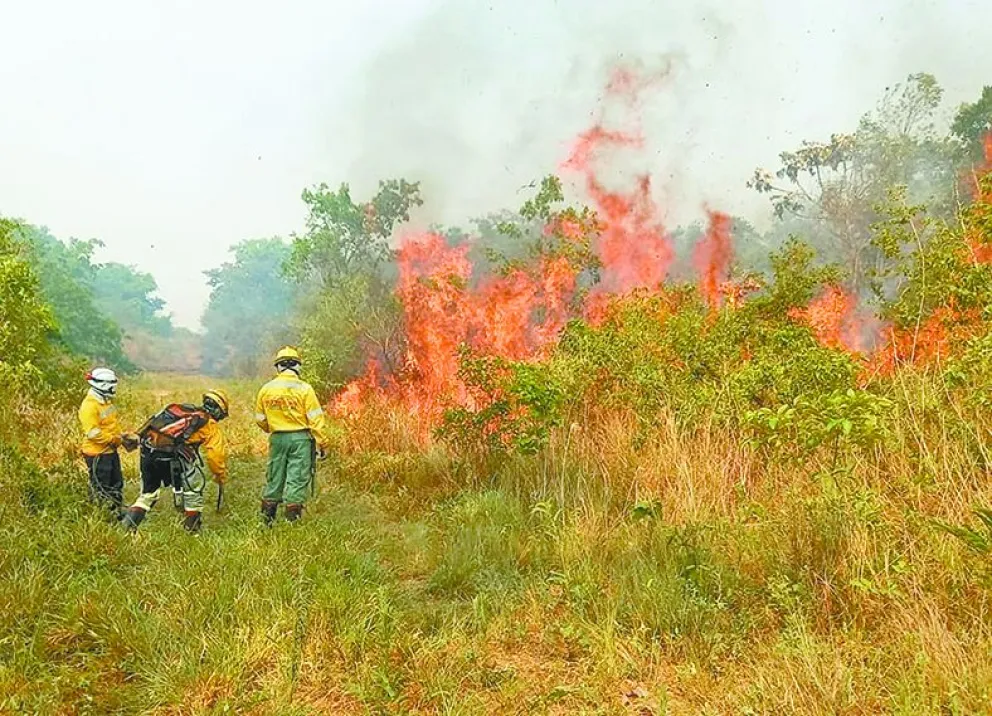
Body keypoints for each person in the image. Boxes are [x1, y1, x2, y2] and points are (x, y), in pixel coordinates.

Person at [121, 389, 230, 534]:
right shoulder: (209, 424)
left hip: (148, 453)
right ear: (219, 412)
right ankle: (192, 532)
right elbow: (216, 456)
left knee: (148, 495)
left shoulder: (177, 408)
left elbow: (151, 423)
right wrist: (219, 476)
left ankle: (127, 529)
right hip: (173, 458)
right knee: (193, 493)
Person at [254, 347, 329, 525]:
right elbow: (315, 419)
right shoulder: (305, 389)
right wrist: (322, 442)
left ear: (278, 367)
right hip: (301, 440)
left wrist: (272, 428)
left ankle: (267, 520)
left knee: (275, 475)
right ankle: (291, 523)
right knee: (297, 477)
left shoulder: (266, 389)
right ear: (297, 366)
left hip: (277, 438)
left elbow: (260, 419)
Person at [78, 368, 136, 519]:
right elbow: (92, 433)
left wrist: (122, 436)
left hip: (110, 451)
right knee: (102, 486)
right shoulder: (89, 406)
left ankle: (116, 512)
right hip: (97, 453)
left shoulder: (106, 402)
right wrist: (115, 439)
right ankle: (103, 517)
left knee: (116, 482)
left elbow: (110, 425)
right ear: (103, 385)